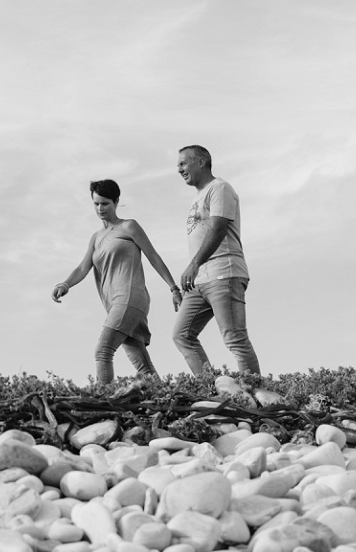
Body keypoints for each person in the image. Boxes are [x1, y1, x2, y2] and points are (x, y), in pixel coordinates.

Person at [52, 179, 180, 385]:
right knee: (142, 364)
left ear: (116, 201)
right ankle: (164, 399)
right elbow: (82, 268)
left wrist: (173, 288)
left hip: (130, 298)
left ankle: (104, 399)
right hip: (114, 304)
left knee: (103, 351)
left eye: (105, 203)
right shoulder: (96, 237)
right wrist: (64, 284)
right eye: (96, 204)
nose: (100, 208)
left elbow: (153, 256)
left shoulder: (129, 226)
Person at [172, 144, 261, 376]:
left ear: (201, 161)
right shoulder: (198, 197)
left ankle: (253, 395)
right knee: (182, 335)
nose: (179, 169)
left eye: (183, 163)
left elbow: (219, 228)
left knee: (235, 339)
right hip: (199, 281)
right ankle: (212, 390)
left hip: (225, 273)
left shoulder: (219, 188)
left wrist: (193, 264)